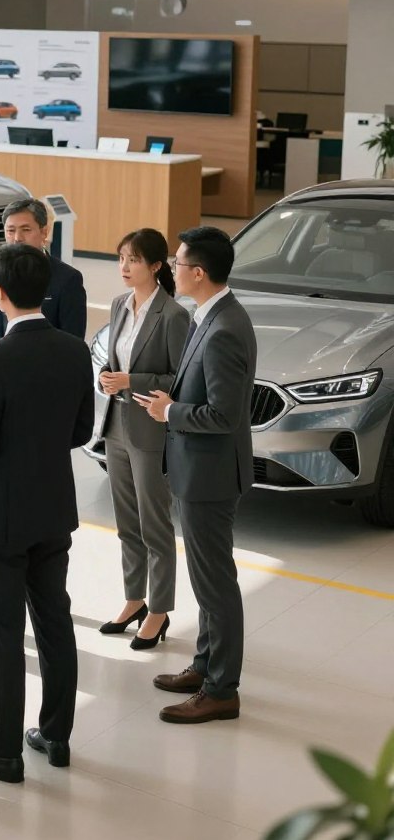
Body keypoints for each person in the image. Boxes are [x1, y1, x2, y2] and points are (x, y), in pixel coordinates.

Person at [0, 244, 94, 783]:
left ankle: (3, 749)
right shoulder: (75, 352)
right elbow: (81, 432)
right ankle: (56, 736)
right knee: (55, 621)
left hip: (0, 515)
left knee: (4, 631)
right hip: (54, 505)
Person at [137, 226, 255, 725]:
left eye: (177, 262)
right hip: (196, 471)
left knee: (215, 585)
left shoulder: (225, 328)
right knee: (207, 579)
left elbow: (227, 415)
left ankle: (221, 689)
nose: (171, 267)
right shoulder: (209, 315)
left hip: (209, 476)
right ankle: (206, 667)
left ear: (199, 272)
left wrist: (171, 413)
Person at [96, 229, 190, 651]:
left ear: (156, 265)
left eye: (133, 260)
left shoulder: (173, 316)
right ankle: (134, 598)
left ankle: (160, 608)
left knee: (154, 523)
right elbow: (111, 359)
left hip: (149, 428)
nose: (124, 268)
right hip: (116, 424)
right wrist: (107, 379)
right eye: (121, 259)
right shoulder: (119, 305)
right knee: (126, 522)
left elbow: (181, 380)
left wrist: (131, 380)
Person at [0, 197, 87, 350]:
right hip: (0, 366)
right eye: (10, 231)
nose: (17, 238)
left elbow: (73, 341)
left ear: (44, 232)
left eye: (26, 230)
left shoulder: (67, 279)